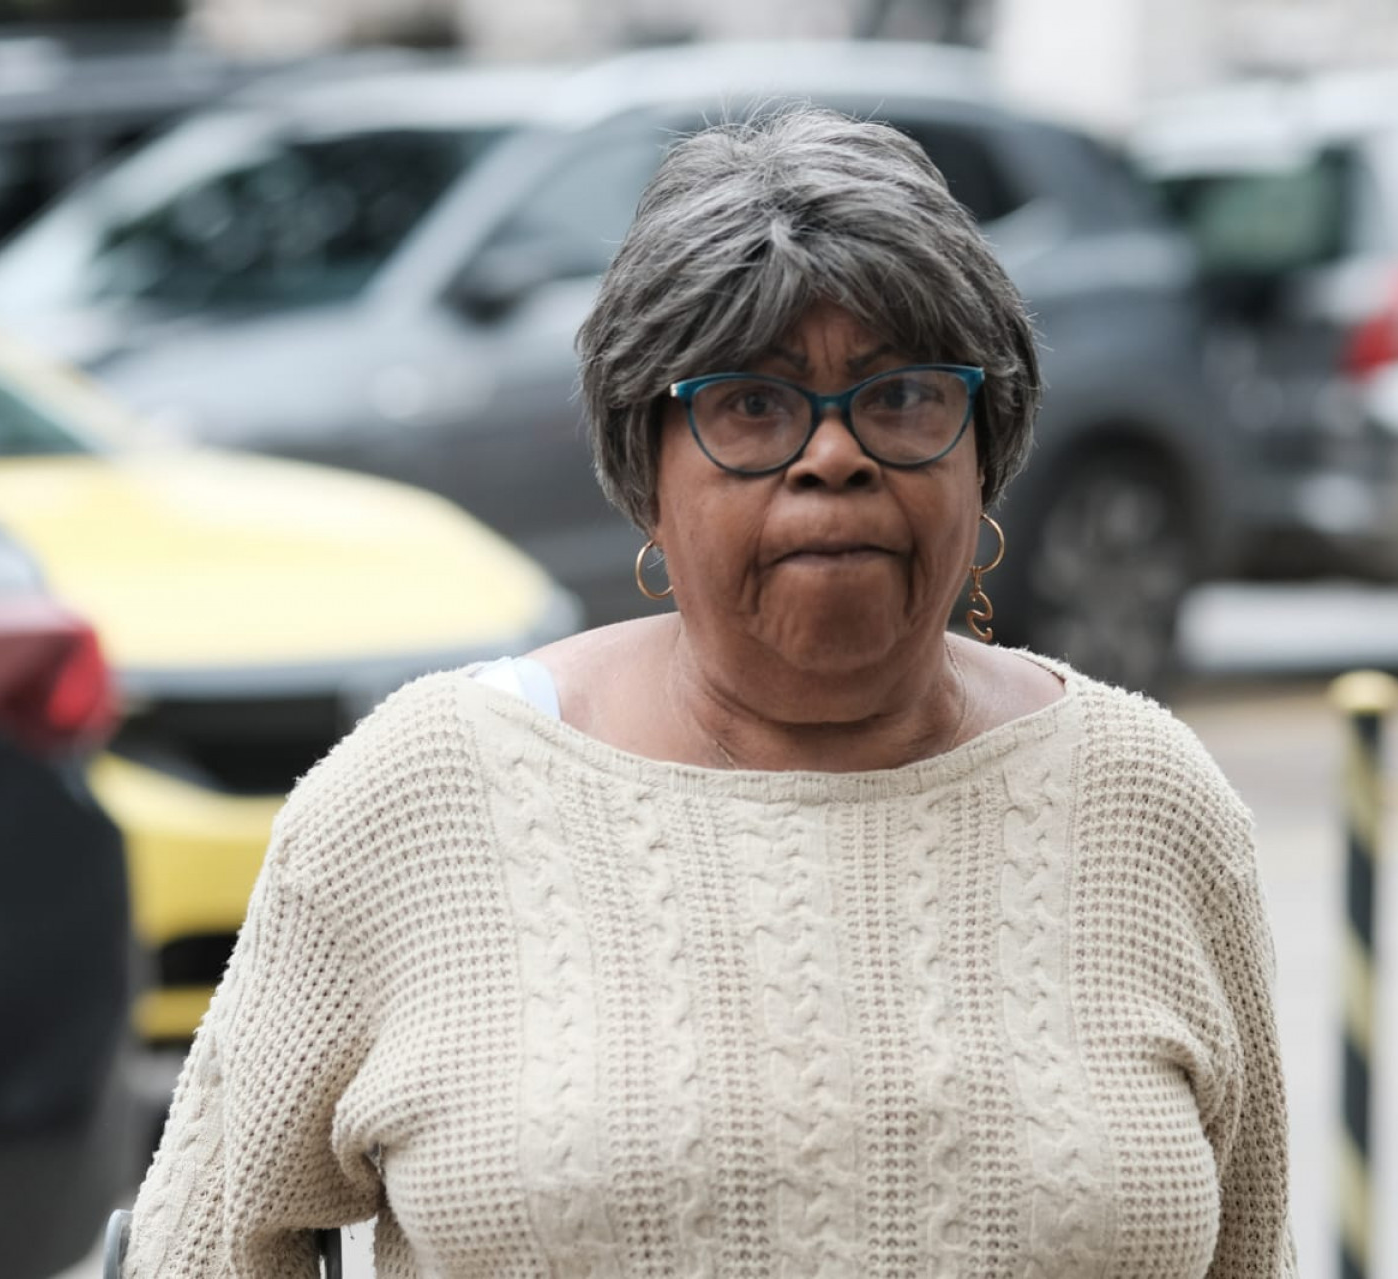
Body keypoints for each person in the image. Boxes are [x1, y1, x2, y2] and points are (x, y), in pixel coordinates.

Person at [117, 107, 1296, 1277]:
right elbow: (205, 1248)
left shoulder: (1149, 805)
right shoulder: (419, 800)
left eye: (901, 398)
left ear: (983, 448)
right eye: (752, 404)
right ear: (646, 471)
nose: (834, 455)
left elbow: (1256, 1254)